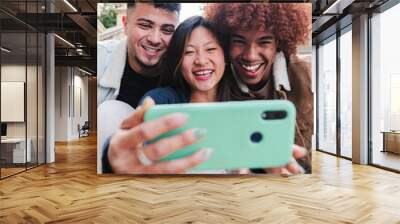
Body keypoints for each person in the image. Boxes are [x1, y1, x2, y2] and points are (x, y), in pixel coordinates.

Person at [204, 3, 314, 173]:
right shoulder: (212, 80)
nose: (250, 55)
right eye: (239, 42)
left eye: (264, 42)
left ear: (278, 43)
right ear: (226, 42)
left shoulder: (305, 76)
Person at [97, 2, 180, 108]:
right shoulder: (99, 58)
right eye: (145, 25)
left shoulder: (183, 71)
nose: (155, 39)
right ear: (125, 25)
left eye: (167, 30)